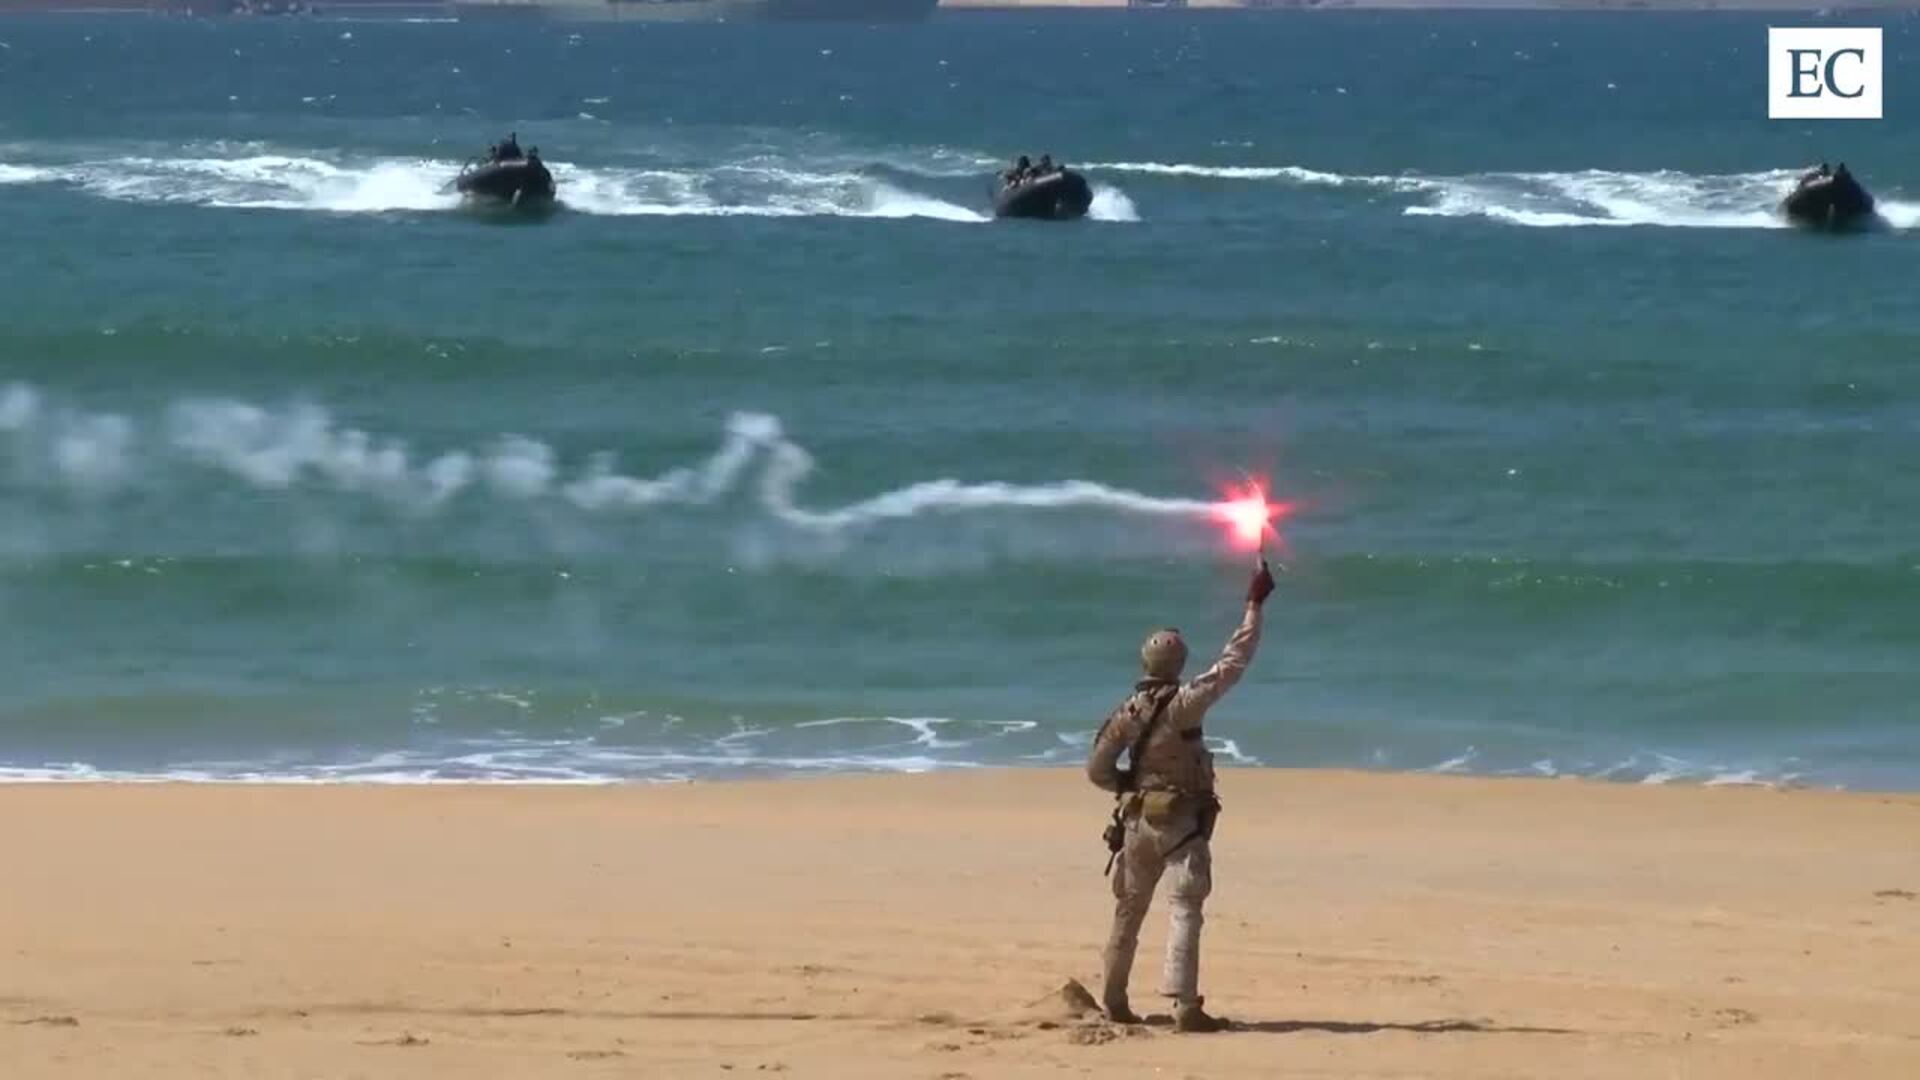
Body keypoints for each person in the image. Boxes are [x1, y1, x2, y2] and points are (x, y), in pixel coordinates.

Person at [1086, 557, 1276, 1033]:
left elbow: (1097, 769)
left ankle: (1113, 999)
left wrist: (1127, 785)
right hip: (1179, 824)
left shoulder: (1127, 711)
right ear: (1178, 664)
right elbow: (1234, 661)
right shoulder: (1184, 705)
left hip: (1135, 823)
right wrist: (1254, 604)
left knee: (1129, 910)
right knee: (1185, 907)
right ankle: (1185, 1006)